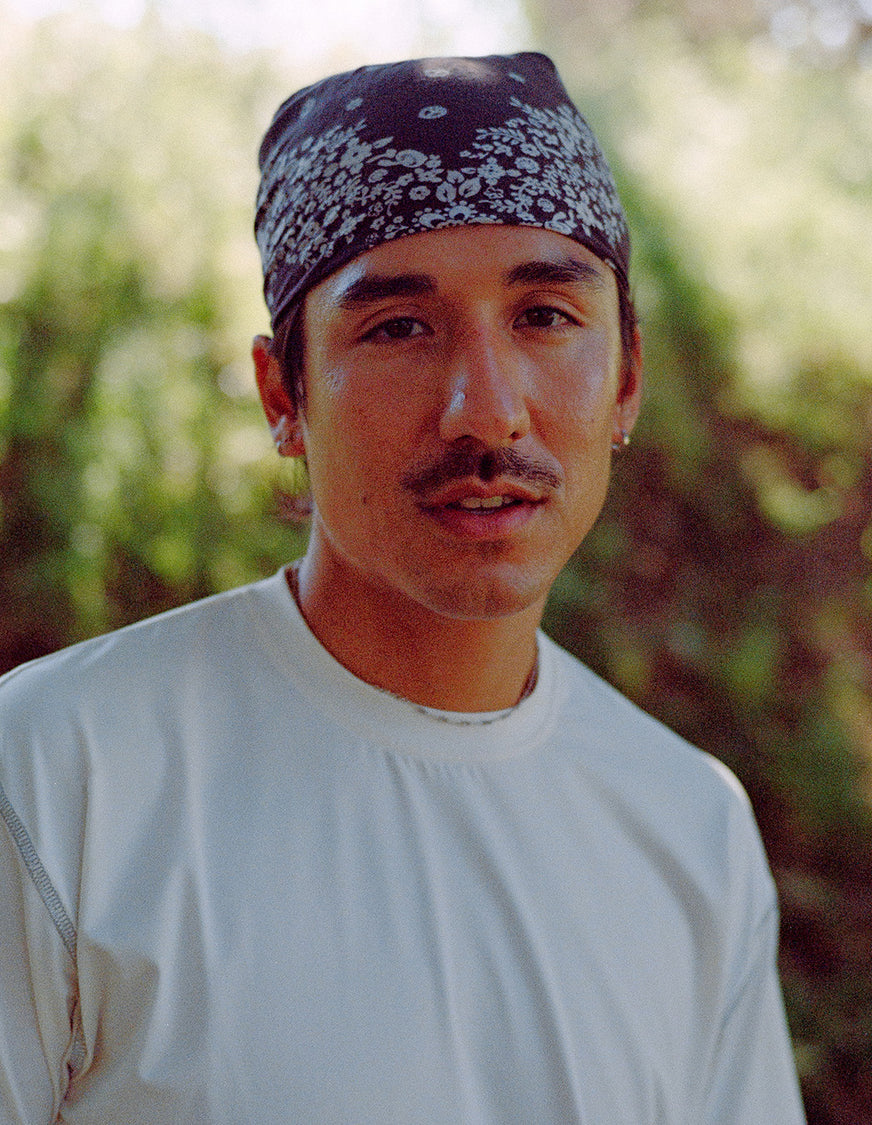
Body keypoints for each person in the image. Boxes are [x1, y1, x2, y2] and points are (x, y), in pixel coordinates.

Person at [0, 52, 805, 1123]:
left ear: (626, 379)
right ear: (283, 395)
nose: (487, 411)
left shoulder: (689, 831)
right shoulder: (61, 775)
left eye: (546, 317)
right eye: (400, 328)